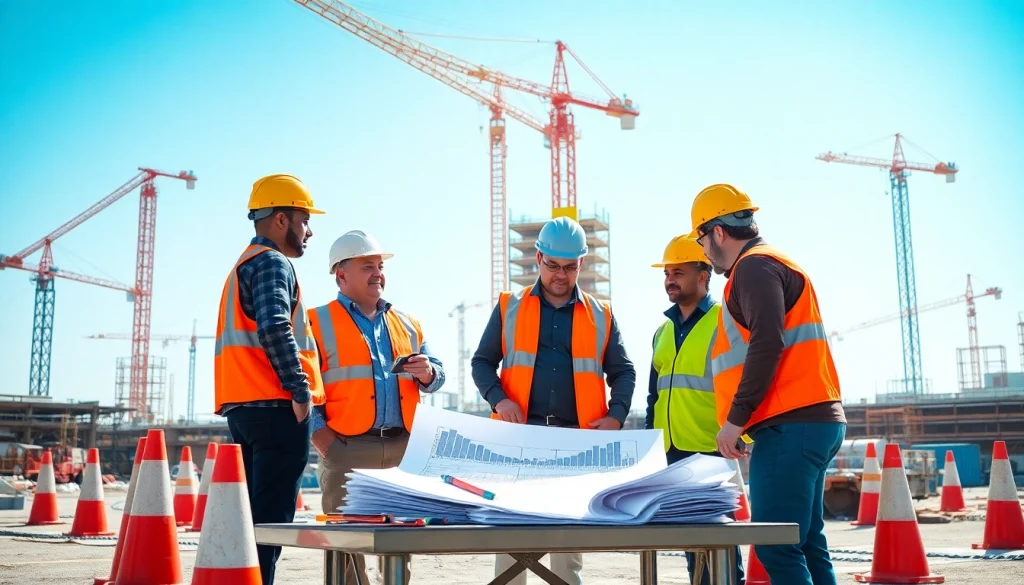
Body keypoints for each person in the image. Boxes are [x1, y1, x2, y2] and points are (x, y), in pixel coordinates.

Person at [688, 183, 846, 585]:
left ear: (717, 232)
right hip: (814, 420)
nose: (703, 250)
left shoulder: (753, 268)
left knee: (776, 546)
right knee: (806, 541)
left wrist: (734, 421)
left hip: (789, 425)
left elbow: (767, 343)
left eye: (701, 240)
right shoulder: (776, 262)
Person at [471, 216, 636, 585]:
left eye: (569, 267)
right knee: (512, 543)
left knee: (566, 549)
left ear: (581, 263)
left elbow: (623, 371)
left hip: (574, 443)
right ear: (538, 258)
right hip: (517, 441)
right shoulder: (509, 306)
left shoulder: (601, 315)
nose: (561, 275)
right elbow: (482, 362)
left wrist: (616, 416)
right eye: (553, 266)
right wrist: (499, 400)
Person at [307, 229, 445, 585]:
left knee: (400, 543)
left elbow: (437, 375)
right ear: (341, 275)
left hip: (402, 449)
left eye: (380, 266)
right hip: (346, 448)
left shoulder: (407, 323)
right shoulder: (314, 322)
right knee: (346, 547)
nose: (378, 273)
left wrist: (429, 373)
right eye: (367, 266)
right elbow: (301, 386)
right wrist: (323, 438)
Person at [213, 173, 327, 585]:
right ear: (281, 219)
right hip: (276, 407)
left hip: (245, 408)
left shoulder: (243, 264)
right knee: (270, 521)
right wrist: (300, 390)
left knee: (251, 519)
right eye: (304, 220)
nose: (309, 231)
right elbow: (275, 326)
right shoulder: (271, 263)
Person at [646, 234, 745, 585]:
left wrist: (741, 433)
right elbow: (654, 396)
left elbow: (744, 380)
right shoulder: (662, 331)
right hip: (670, 452)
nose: (669, 280)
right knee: (690, 543)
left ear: (703, 276)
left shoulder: (725, 321)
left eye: (678, 272)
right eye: (666, 273)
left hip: (710, 448)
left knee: (720, 544)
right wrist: (650, 448)